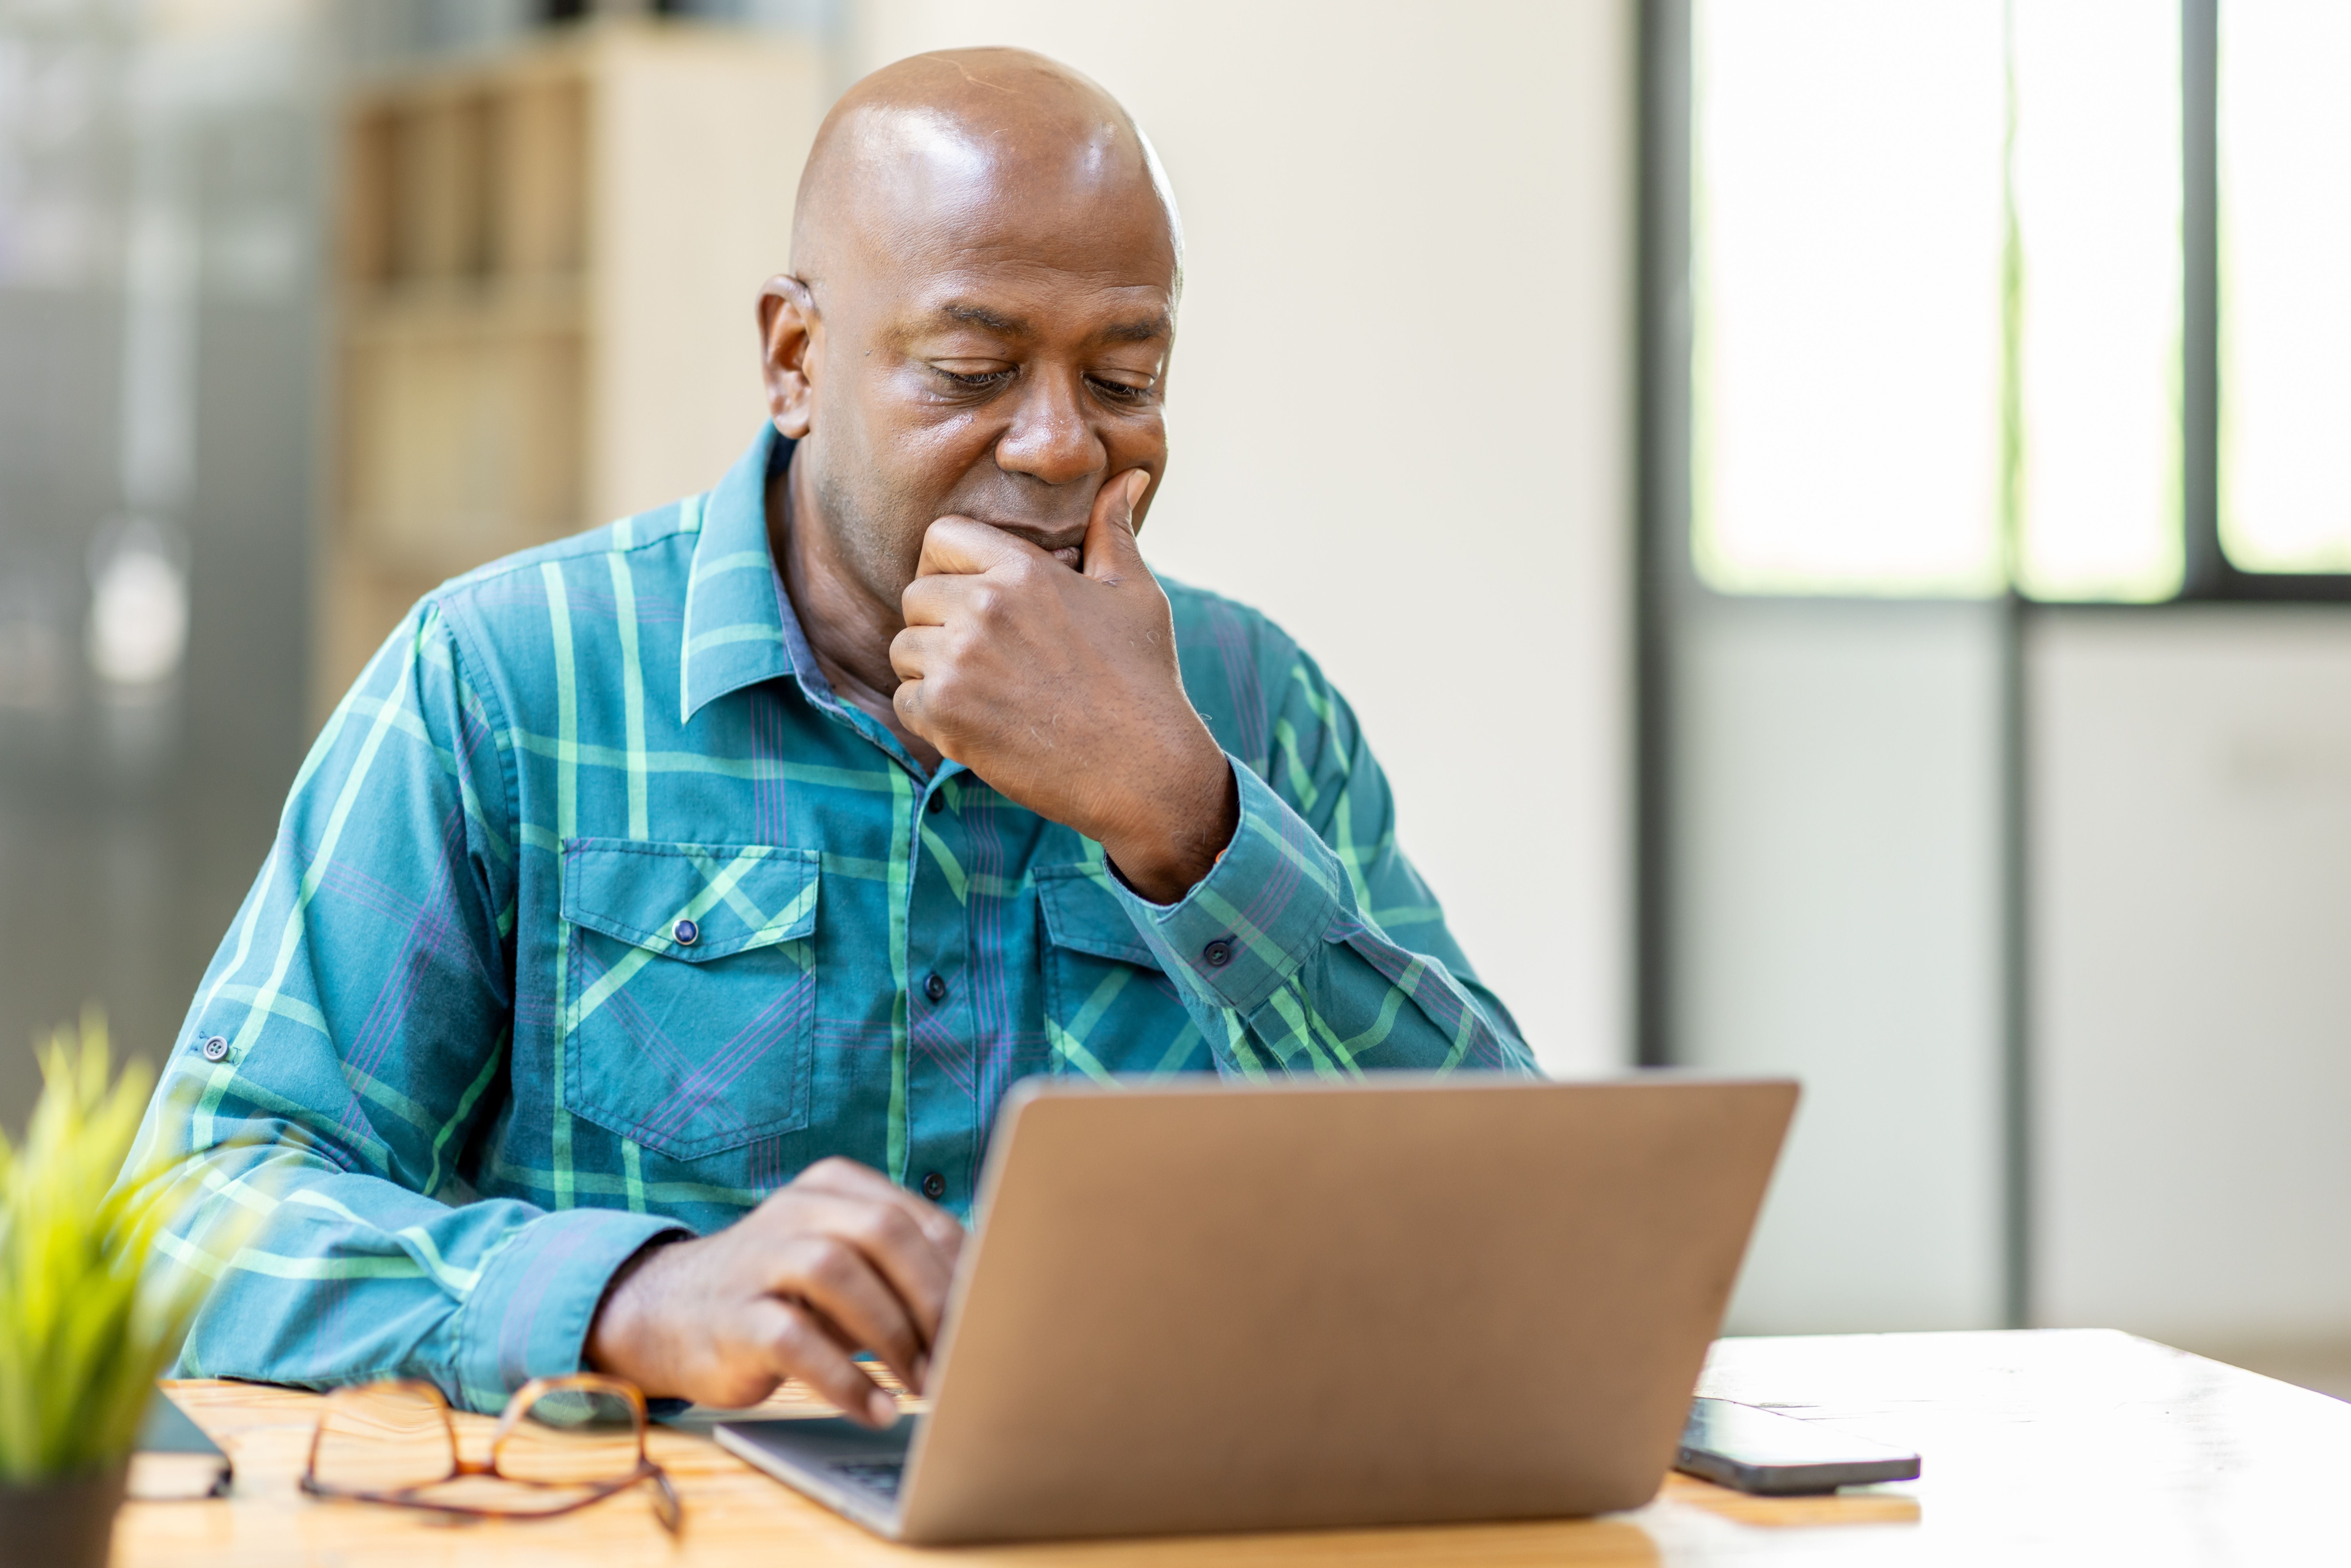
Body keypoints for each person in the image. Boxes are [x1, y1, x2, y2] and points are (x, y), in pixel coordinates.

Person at [132, 47, 1535, 1428]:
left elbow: (1516, 1240)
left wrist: (1183, 817)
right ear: (795, 360)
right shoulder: (505, 680)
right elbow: (187, 1214)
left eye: (1121, 381)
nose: (1060, 446)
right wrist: (632, 1300)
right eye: (973, 367)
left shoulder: (1254, 706)